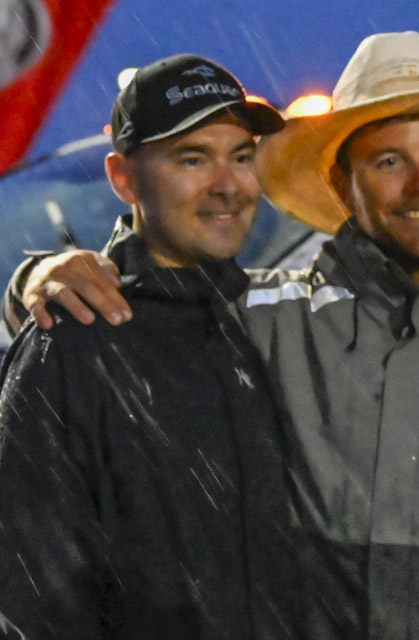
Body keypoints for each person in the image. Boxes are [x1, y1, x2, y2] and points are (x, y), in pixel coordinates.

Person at [5, 32, 419, 639]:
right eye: (388, 161)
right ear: (342, 183)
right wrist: (38, 281)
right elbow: (156, 301)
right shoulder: (263, 317)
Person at [0, 54, 317, 638]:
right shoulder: (73, 344)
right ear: (123, 178)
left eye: (241, 156)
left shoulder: (284, 324)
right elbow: (29, 599)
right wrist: (31, 281)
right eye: (192, 159)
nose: (227, 185)